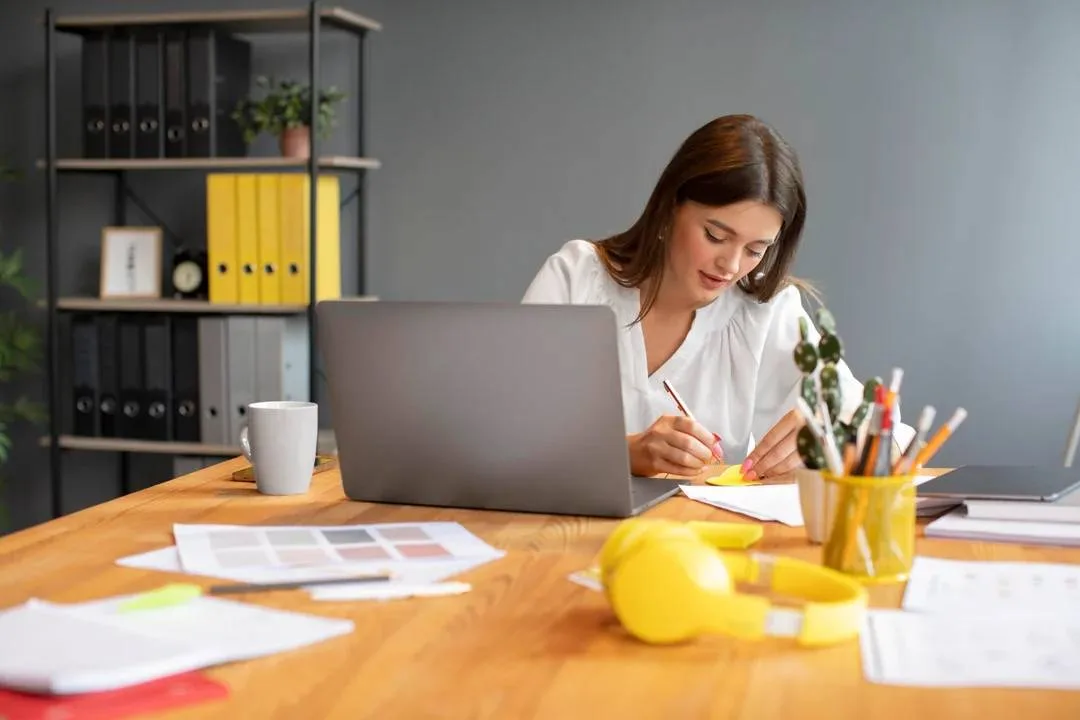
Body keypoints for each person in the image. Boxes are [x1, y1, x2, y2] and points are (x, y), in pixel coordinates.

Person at [522, 114, 913, 481]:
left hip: (711, 545)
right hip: (562, 544)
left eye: (756, 249)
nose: (730, 264)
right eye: (715, 235)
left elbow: (892, 438)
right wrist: (627, 454)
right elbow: (502, 436)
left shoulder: (767, 313)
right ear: (670, 206)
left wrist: (831, 442)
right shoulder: (577, 278)